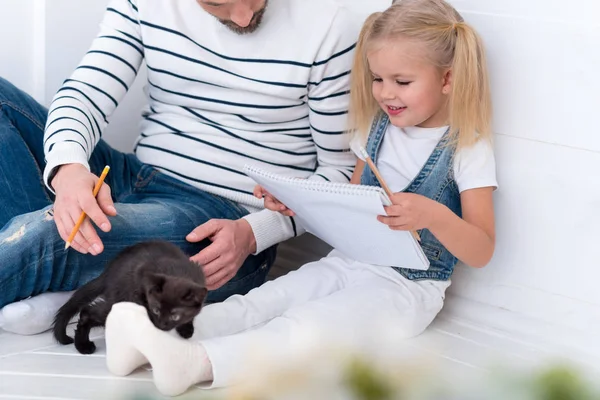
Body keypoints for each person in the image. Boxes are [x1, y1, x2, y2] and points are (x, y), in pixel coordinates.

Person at [103, 0, 499, 395]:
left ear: (447, 79)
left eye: (402, 81)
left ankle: (198, 364)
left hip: (406, 289)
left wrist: (434, 215)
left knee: (308, 325)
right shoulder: (379, 131)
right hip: (350, 261)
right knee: (266, 300)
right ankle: (158, 337)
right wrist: (293, 201)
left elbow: (481, 250)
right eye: (378, 79)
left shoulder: (466, 149)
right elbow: (350, 200)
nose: (385, 93)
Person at [0, 0, 359, 335]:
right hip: (136, 175)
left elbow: (340, 176)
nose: (244, 17)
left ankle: (46, 266)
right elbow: (85, 94)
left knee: (48, 234)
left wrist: (255, 232)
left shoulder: (331, 24)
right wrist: (68, 171)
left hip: (220, 219)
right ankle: (57, 275)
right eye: (216, 3)